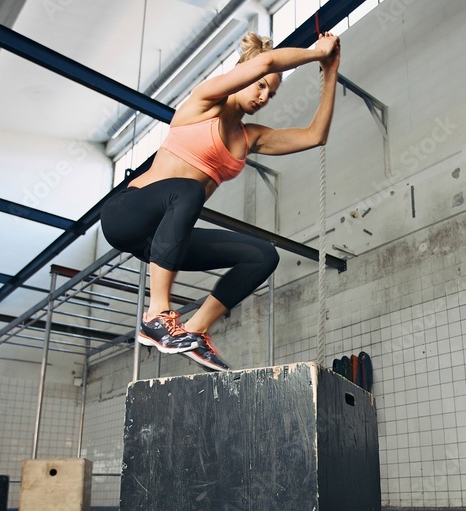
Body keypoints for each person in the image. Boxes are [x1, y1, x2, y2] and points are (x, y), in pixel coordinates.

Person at [100, 31, 341, 372]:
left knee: (262, 255)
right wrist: (316, 52)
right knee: (188, 189)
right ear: (244, 73)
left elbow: (316, 135)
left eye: (270, 94)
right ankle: (156, 315)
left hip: (159, 238)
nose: (263, 97)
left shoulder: (249, 137)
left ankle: (196, 329)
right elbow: (268, 61)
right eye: (259, 85)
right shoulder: (206, 101)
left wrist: (330, 70)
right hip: (126, 214)